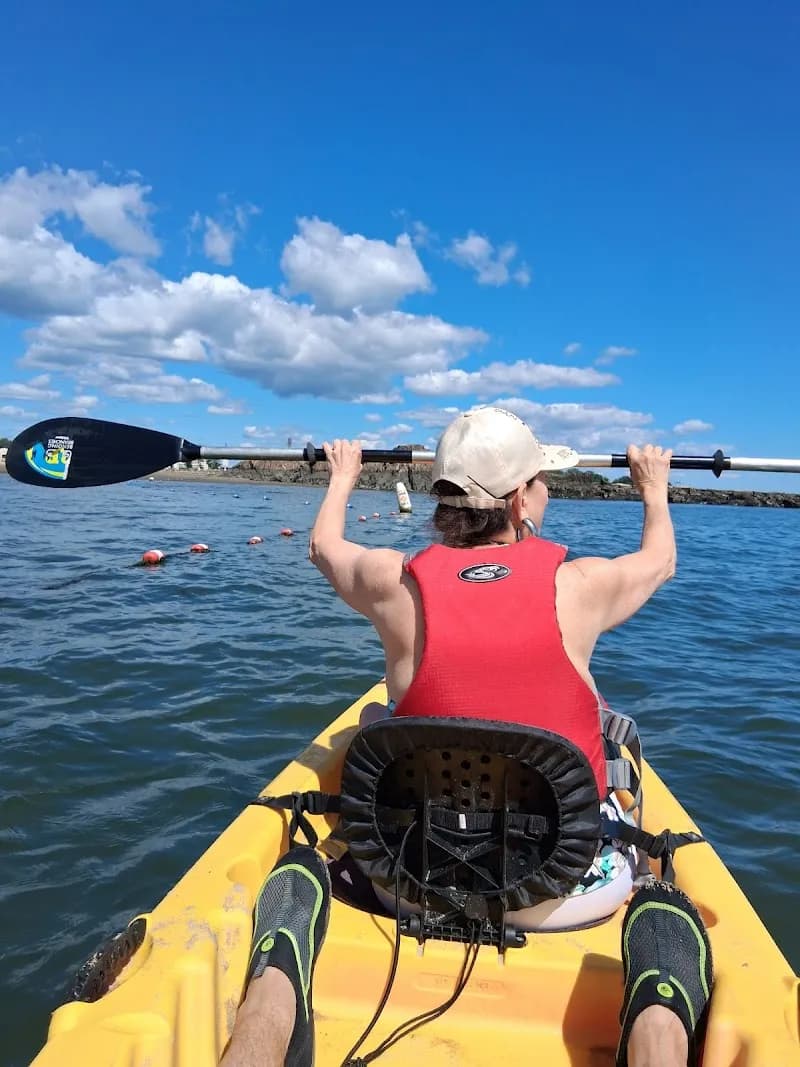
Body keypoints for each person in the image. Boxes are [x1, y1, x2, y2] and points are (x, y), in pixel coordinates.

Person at [221, 406, 713, 1067]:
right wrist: (653, 486)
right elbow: (662, 559)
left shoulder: (394, 583)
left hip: (407, 876)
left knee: (377, 725)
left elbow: (324, 548)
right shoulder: (581, 586)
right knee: (629, 805)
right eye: (541, 480)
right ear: (517, 500)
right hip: (560, 889)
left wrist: (343, 474)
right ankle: (656, 1014)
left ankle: (273, 989)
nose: (546, 492)